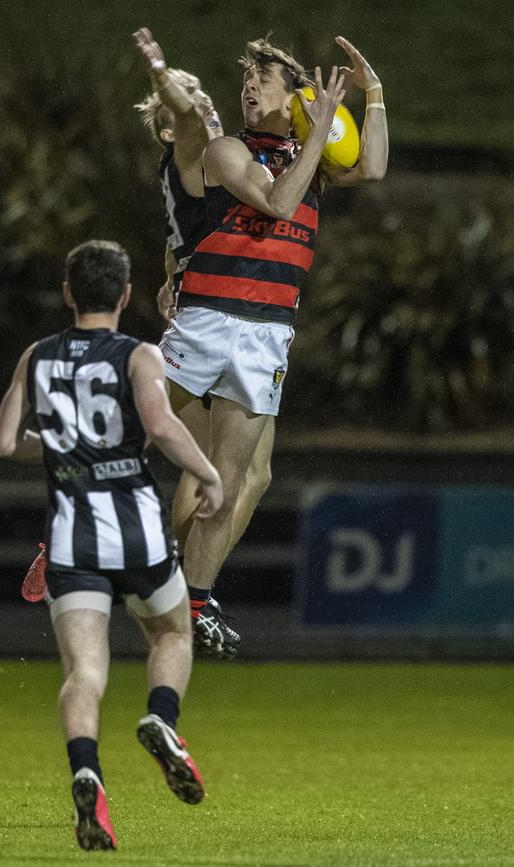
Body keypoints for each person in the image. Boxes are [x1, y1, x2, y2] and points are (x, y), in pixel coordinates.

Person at [0, 240, 223, 851]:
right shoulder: (138, 354)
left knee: (85, 671)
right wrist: (210, 473)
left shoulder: (36, 357)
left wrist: (64, 443)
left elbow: (3, 443)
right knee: (172, 633)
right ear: (123, 295)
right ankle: (161, 720)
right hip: (137, 528)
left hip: (72, 534)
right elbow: (161, 425)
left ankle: (87, 772)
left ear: (69, 293)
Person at [158, 37, 389, 631]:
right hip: (207, 319)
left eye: (263, 80)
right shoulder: (227, 149)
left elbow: (374, 166)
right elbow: (278, 202)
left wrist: (374, 95)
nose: (249, 89)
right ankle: (74, 534)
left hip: (267, 334)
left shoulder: (311, 158)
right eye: (246, 81)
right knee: (133, 426)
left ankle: (192, 601)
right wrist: (316, 138)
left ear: (295, 98)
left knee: (232, 484)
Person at [133, 27, 274, 658]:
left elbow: (179, 241)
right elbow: (188, 115)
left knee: (255, 475)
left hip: (206, 305)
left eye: (201, 89)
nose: (204, 100)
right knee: (209, 473)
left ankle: (184, 585)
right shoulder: (192, 143)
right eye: (190, 100)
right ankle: (177, 586)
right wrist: (164, 76)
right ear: (169, 127)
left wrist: (172, 277)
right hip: (215, 320)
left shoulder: (210, 159)